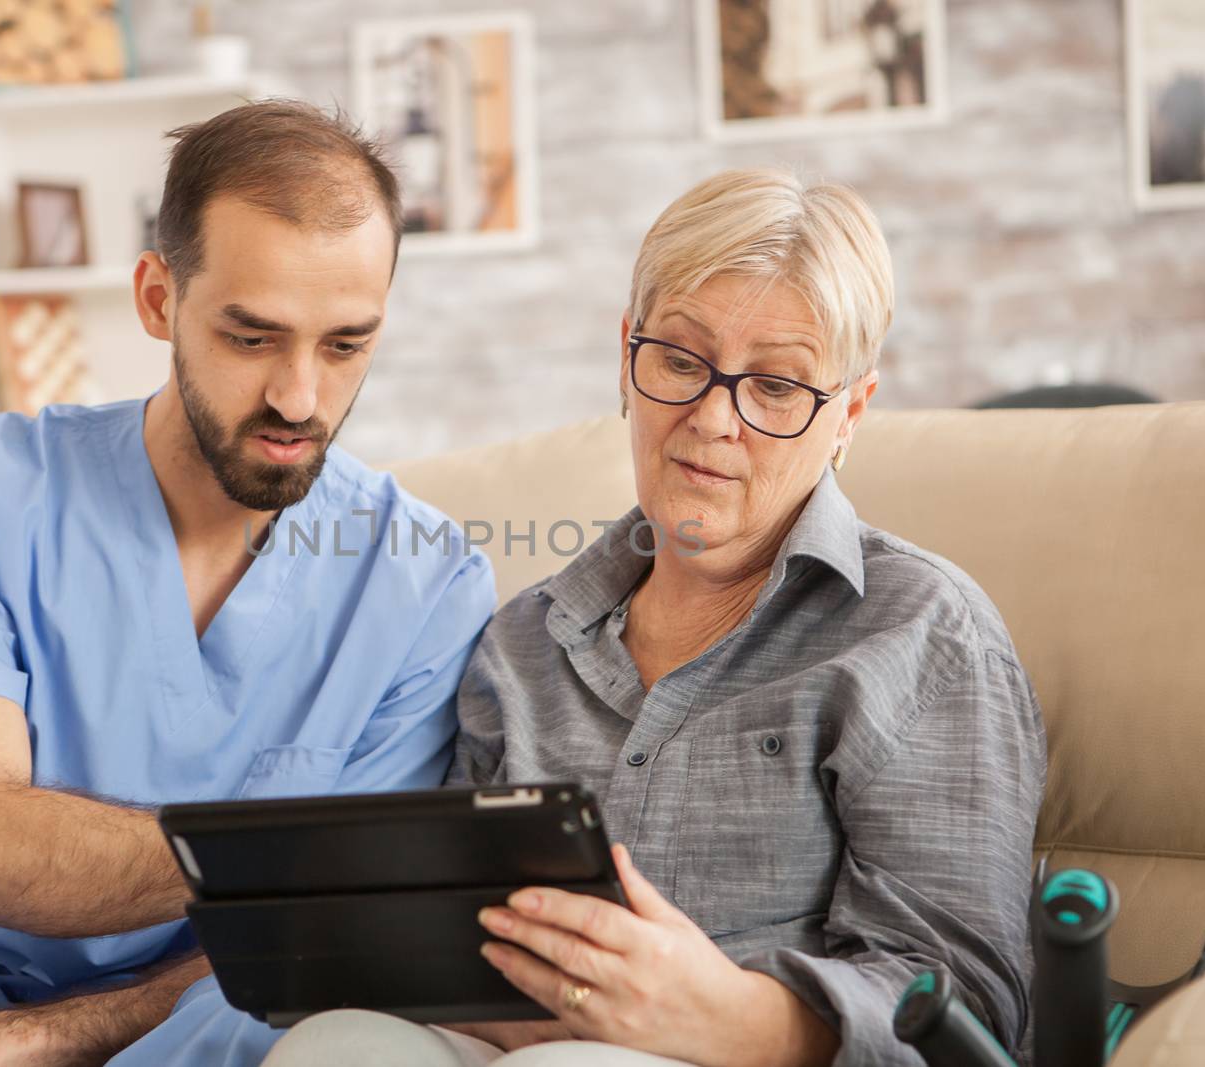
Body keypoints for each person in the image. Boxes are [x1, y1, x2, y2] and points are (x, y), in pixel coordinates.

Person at [0, 101, 496, 1067]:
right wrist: (279, 859)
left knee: (297, 1018)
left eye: (345, 344)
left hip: (202, 1010)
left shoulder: (428, 582)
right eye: (251, 337)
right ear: (158, 299)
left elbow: (329, 931)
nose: (298, 397)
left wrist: (40, 1036)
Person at [265, 169, 1046, 1066]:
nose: (715, 418)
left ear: (849, 415)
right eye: (680, 360)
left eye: (778, 388)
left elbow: (967, 1010)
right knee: (336, 1045)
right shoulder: (521, 644)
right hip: (510, 1048)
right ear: (626, 362)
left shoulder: (923, 635)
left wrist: (728, 1017)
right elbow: (442, 932)